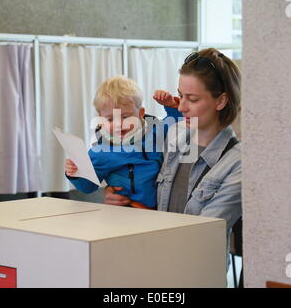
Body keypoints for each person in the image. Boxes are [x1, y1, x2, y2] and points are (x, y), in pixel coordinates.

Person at [104, 48, 242, 260]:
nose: (182, 107)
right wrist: (121, 195)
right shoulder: (174, 134)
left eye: (193, 99)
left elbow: (203, 234)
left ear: (221, 101)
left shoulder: (238, 163)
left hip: (195, 271)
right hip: (153, 258)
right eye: (180, 96)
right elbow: (140, 170)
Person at [64, 75, 179, 209]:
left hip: (164, 206)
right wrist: (75, 172)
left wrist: (171, 106)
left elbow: (177, 123)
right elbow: (88, 186)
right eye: (110, 119)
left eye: (126, 117)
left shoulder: (154, 130)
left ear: (141, 113)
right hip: (127, 209)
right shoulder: (100, 151)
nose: (119, 125)